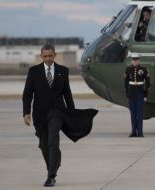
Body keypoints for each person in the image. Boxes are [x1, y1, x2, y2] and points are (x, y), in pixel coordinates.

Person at [22, 44, 98, 187]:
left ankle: (51, 176)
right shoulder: (34, 71)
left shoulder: (63, 71)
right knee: (44, 145)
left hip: (57, 113)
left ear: (55, 55)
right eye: (45, 56)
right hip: (40, 114)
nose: (48, 58)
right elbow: (27, 94)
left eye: (50, 56)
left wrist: (72, 112)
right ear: (41, 56)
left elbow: (67, 94)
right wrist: (26, 113)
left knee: (53, 141)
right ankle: (54, 164)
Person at [124, 53, 150, 137]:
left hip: (140, 92)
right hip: (131, 92)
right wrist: (127, 93)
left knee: (140, 113)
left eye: (136, 60)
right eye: (133, 60)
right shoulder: (128, 69)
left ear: (139, 60)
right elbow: (126, 82)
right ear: (131, 60)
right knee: (133, 113)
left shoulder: (144, 69)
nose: (135, 61)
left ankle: (140, 132)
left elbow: (148, 81)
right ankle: (133, 132)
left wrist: (145, 92)